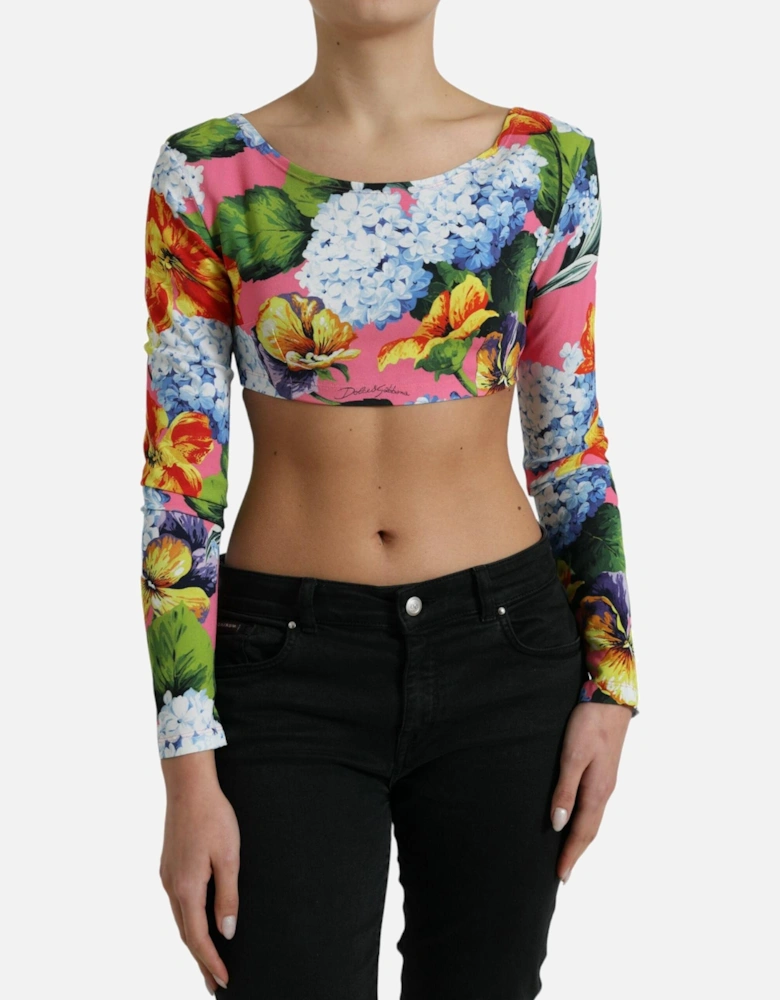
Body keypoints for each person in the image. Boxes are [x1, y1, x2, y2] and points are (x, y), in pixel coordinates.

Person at [139, 1, 639, 996]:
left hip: (505, 657)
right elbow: (180, 482)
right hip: (285, 672)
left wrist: (611, 680)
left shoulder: (548, 164)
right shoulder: (205, 173)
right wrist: (185, 766)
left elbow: (569, 450)